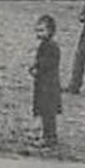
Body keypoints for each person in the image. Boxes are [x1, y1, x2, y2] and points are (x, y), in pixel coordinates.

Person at [30, 14, 62, 147]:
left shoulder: (52, 46)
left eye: (42, 30)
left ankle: (50, 137)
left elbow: (50, 63)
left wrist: (39, 67)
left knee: (48, 112)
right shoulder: (44, 45)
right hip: (42, 83)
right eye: (37, 30)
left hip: (49, 84)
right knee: (42, 110)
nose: (39, 33)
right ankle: (44, 134)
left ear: (50, 31)